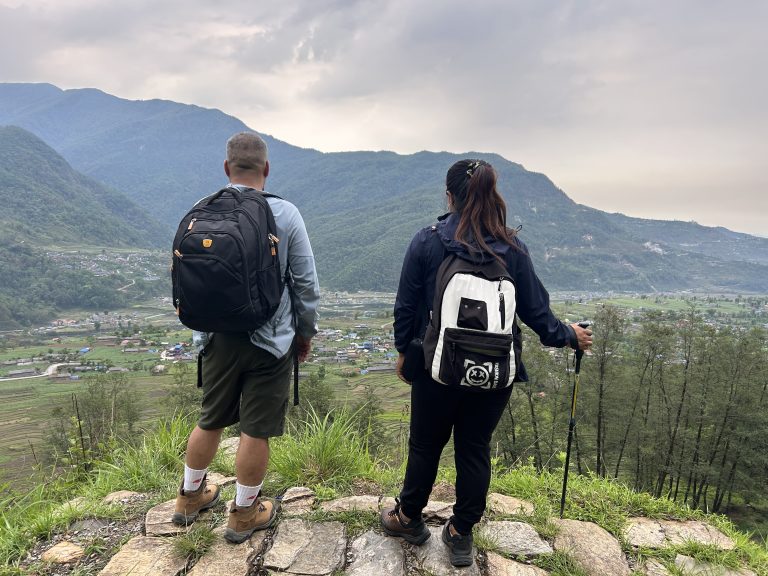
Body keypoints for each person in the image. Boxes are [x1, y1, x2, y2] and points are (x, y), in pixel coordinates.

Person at [380, 159, 592, 567]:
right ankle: (461, 534)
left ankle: (408, 518)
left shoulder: (427, 241)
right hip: (495, 372)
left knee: (425, 445)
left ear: (449, 197)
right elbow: (539, 316)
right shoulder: (513, 249)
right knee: (474, 447)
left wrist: (406, 356)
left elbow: (405, 308)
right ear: (494, 195)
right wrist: (571, 335)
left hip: (436, 366)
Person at [173, 132, 320, 544]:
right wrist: (304, 334)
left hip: (216, 337)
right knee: (255, 429)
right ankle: (243, 512)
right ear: (266, 169)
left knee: (210, 418)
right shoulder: (285, 214)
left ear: (226, 169)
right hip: (269, 341)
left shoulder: (203, 210)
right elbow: (305, 284)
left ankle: (189, 497)